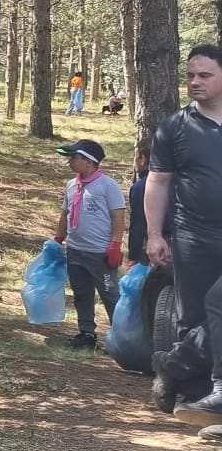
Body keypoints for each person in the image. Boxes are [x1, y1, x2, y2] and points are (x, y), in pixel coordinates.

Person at [145, 45, 222, 425]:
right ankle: (197, 397)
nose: (194, 82)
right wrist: (155, 234)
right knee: (193, 313)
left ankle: (173, 365)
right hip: (194, 234)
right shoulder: (175, 126)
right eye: (190, 75)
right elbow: (158, 182)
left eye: (204, 75)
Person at [54, 138, 126, 350]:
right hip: (76, 250)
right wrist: (58, 240)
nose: (70, 162)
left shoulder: (107, 186)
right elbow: (65, 214)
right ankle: (86, 333)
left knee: (109, 294)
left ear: (89, 162)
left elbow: (118, 217)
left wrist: (115, 245)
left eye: (74, 158)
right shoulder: (71, 185)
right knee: (81, 293)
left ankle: (122, 337)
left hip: (99, 253)